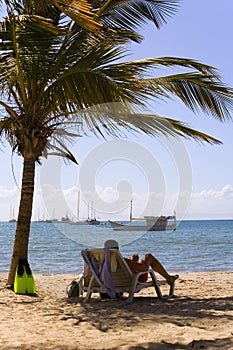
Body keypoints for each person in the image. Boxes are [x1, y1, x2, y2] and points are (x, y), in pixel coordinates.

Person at [104, 239, 179, 286]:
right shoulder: (121, 261)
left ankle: (134, 261)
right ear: (117, 250)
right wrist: (136, 264)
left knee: (134, 257)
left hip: (111, 282)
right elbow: (143, 268)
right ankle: (169, 278)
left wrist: (133, 262)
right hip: (133, 280)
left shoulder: (100, 262)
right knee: (148, 256)